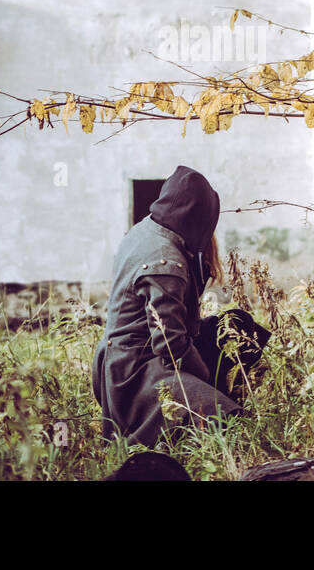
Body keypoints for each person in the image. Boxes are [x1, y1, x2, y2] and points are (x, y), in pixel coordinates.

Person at [91, 165, 269, 448]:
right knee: (227, 422)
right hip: (136, 372)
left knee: (237, 325)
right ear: (198, 219)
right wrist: (206, 379)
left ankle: (219, 395)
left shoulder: (146, 230)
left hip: (131, 357)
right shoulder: (165, 261)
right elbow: (170, 345)